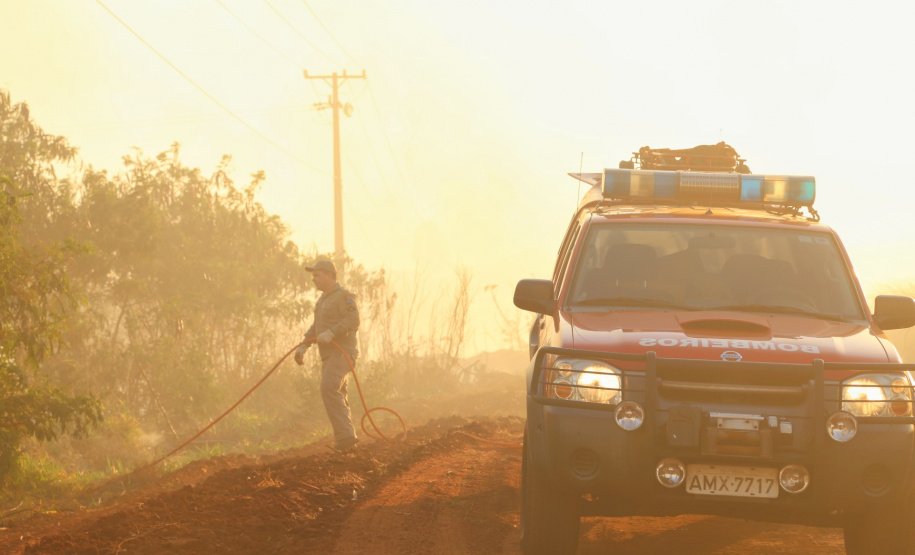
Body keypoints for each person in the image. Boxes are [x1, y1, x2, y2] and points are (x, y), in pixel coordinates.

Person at [294, 259, 360, 452]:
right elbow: (316, 328)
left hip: (343, 353)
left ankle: (346, 438)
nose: (313, 279)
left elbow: (353, 319)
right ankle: (347, 445)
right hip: (328, 356)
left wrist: (333, 332)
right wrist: (303, 347)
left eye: (317, 275)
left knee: (329, 389)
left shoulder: (344, 296)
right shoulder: (322, 301)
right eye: (313, 275)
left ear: (330, 275)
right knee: (338, 394)